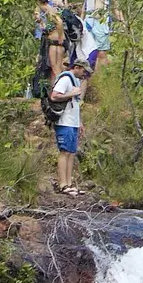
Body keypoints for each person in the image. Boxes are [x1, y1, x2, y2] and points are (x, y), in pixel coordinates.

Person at [49, 60, 86, 196]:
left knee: (71, 153)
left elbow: (75, 104)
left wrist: (80, 122)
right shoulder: (65, 79)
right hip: (64, 121)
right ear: (76, 68)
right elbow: (54, 96)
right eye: (83, 70)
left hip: (73, 122)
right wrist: (71, 93)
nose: (84, 73)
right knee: (64, 152)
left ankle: (69, 183)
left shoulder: (75, 81)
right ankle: (63, 184)